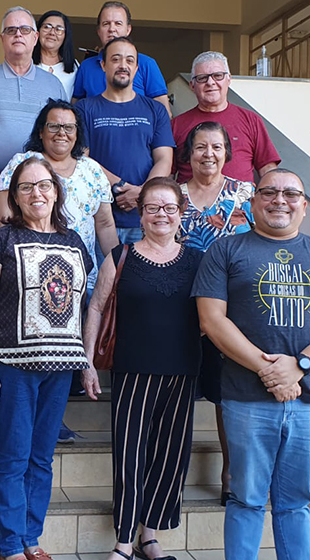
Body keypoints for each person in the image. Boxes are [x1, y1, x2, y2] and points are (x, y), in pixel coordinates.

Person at [193, 168, 310, 560]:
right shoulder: (226, 250)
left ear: (304, 206)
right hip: (246, 399)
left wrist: (300, 365)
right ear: (253, 203)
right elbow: (211, 320)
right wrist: (267, 369)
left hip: (309, 399)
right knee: (246, 498)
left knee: (295, 502)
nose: (279, 200)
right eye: (269, 192)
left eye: (290, 194)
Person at [0, 156, 100, 560]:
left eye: (44, 185)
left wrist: (86, 362)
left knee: (42, 457)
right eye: (26, 187)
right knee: (13, 455)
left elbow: (81, 307)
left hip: (60, 368)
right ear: (15, 196)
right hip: (13, 366)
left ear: (56, 191)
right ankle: (11, 544)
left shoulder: (74, 242)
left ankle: (32, 537)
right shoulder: (0, 241)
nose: (36, 193)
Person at [82, 177, 202, 560]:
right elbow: (96, 307)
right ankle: (123, 542)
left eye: (169, 208)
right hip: (132, 370)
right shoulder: (121, 256)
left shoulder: (198, 261)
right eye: (152, 208)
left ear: (181, 213)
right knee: (129, 455)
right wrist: (88, 363)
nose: (161, 215)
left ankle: (149, 537)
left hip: (182, 370)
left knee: (170, 456)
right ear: (140, 213)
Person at [177, 121, 255, 507]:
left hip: (231, 311)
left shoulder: (245, 193)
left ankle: (231, 472)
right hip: (179, 307)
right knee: (177, 394)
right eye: (200, 147)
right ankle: (170, 474)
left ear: (227, 152)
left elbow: (258, 246)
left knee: (227, 396)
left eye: (216, 147)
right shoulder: (173, 195)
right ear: (188, 154)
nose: (208, 154)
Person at [0, 99, 117, 293]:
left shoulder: (92, 169)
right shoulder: (22, 163)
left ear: (77, 133)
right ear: (41, 132)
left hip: (83, 278)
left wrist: (117, 267)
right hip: (31, 278)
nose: (62, 133)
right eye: (54, 126)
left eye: (69, 127)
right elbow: (2, 219)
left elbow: (105, 224)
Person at [76, 37, 174, 245]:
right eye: (116, 59)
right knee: (103, 269)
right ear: (103, 65)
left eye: (130, 61)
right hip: (98, 218)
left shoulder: (156, 110)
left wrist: (142, 194)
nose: (123, 65)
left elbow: (164, 159)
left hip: (144, 219)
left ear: (136, 68)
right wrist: (121, 186)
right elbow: (82, 159)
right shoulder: (84, 109)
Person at [0, 6, 67, 176]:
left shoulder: (54, 85)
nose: (18, 34)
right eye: (11, 30)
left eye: (25, 30)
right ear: (2, 38)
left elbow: (65, 133)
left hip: (41, 181)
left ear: (35, 38)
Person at [172, 51, 280, 184]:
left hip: (241, 197)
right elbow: (167, 175)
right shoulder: (176, 125)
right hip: (190, 197)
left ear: (229, 79)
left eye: (218, 76)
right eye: (202, 78)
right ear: (192, 86)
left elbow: (267, 169)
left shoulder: (251, 120)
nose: (210, 82)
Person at [72, 1, 171, 115]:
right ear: (98, 31)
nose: (112, 29)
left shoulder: (146, 64)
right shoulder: (86, 66)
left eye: (118, 23)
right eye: (106, 24)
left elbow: (164, 113)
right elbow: (75, 109)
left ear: (128, 29)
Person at [33, 10, 78, 102]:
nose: (52, 33)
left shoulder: (74, 66)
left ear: (65, 36)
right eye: (47, 27)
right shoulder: (26, 63)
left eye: (59, 29)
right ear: (38, 32)